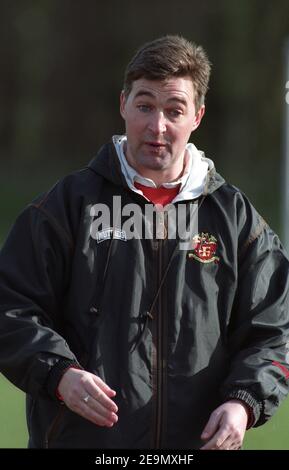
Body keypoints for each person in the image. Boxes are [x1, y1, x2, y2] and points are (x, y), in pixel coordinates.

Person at [0, 35, 289, 451]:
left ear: (198, 116)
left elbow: (274, 331)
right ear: (123, 105)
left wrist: (242, 402)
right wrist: (60, 374)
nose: (157, 126)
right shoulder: (65, 209)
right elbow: (10, 308)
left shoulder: (237, 221)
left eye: (174, 110)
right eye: (144, 106)